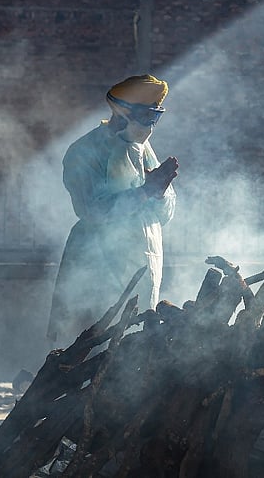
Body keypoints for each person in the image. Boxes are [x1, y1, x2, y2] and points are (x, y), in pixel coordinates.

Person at [47, 75, 179, 345]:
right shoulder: (84, 151)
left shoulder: (143, 148)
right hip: (97, 262)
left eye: (155, 117)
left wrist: (159, 193)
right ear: (122, 111)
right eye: (145, 116)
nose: (150, 126)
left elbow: (165, 214)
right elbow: (92, 211)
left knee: (134, 345)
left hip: (144, 259)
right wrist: (143, 192)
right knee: (95, 342)